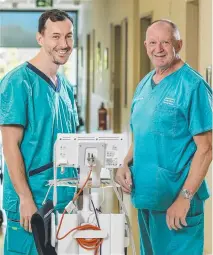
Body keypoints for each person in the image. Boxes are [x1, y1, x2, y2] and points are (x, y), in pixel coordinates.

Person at [116, 19, 212, 255]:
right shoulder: (144, 84)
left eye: (165, 42)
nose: (158, 48)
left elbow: (207, 148)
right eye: (152, 42)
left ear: (178, 44)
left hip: (177, 204)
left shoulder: (193, 86)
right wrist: (125, 163)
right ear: (146, 45)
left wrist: (184, 198)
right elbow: (142, 133)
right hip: (147, 199)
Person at [0, 9, 79, 255]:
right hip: (31, 202)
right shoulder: (18, 82)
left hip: (63, 201)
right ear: (40, 38)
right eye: (55, 36)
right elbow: (10, 146)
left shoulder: (64, 86)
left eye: (68, 36)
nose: (63, 44)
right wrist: (24, 198)